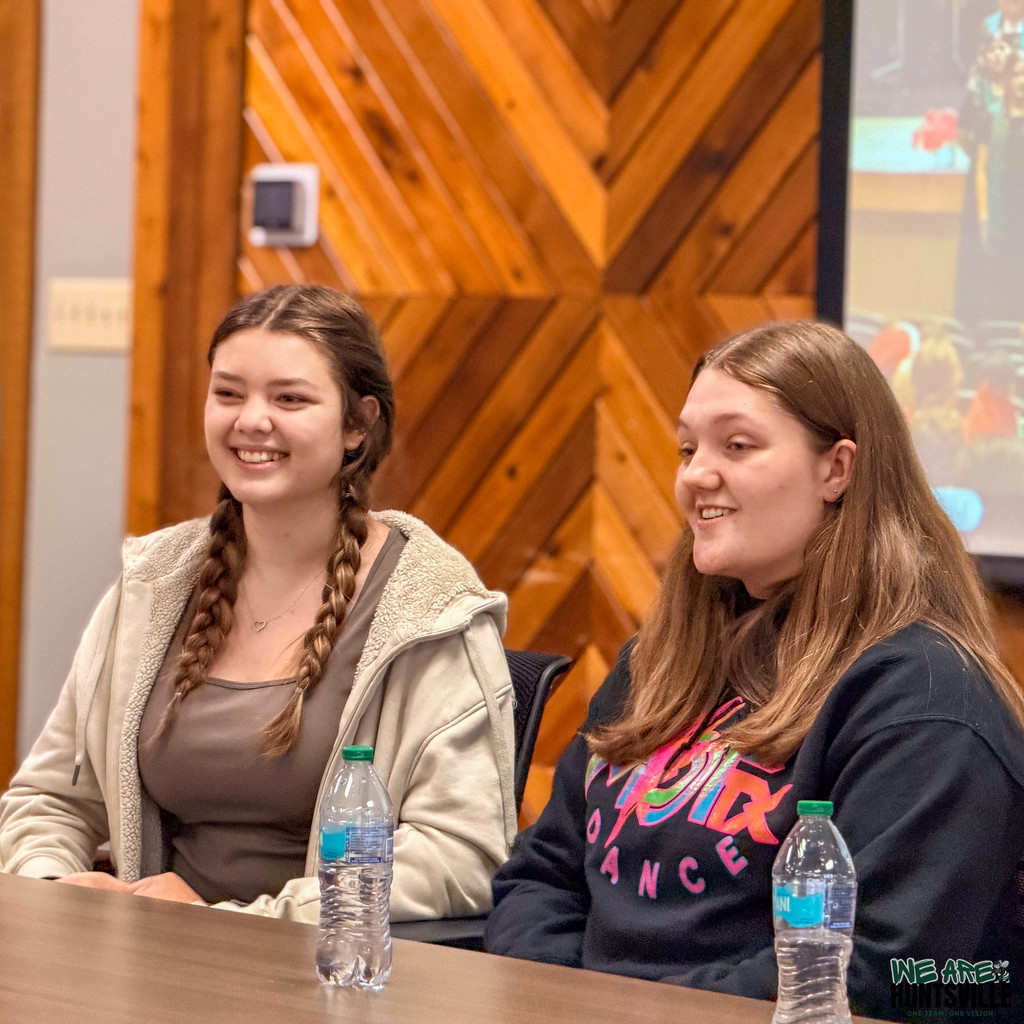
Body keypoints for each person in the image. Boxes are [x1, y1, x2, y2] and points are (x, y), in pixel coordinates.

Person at [484, 320, 1024, 1022]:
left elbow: (882, 969)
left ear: (838, 469)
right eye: (687, 448)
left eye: (737, 445)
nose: (694, 476)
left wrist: (629, 1011)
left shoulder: (926, 700)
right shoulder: (658, 662)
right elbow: (540, 877)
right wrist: (561, 997)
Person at [0, 284, 516, 923]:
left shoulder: (431, 606)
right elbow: (50, 800)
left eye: (290, 398)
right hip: (146, 965)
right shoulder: (154, 583)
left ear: (357, 425)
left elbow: (458, 855)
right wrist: (56, 885)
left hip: (324, 979)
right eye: (228, 393)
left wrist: (242, 921)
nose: (250, 419)